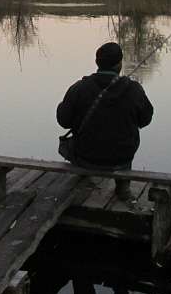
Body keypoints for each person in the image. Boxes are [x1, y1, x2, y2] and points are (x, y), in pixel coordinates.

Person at [56, 41, 154, 199]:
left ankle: (83, 180)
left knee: (81, 143)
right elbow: (145, 119)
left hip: (85, 156)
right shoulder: (134, 89)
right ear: (120, 64)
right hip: (121, 158)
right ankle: (122, 187)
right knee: (124, 143)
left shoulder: (79, 88)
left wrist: (63, 105)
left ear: (97, 63)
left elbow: (63, 121)